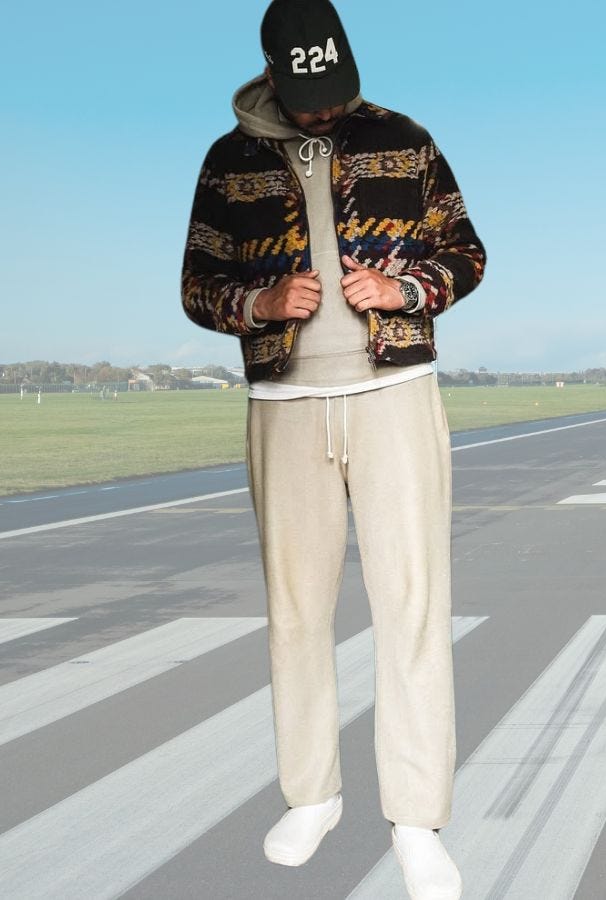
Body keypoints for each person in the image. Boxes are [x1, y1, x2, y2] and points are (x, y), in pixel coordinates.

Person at [180, 1, 485, 897]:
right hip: (283, 402)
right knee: (296, 611)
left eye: (334, 93)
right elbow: (199, 284)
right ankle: (312, 796)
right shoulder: (226, 160)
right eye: (308, 96)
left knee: (414, 607)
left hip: (395, 393)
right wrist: (262, 306)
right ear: (274, 75)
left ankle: (418, 820)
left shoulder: (406, 139)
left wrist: (406, 286)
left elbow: (466, 253)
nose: (323, 111)